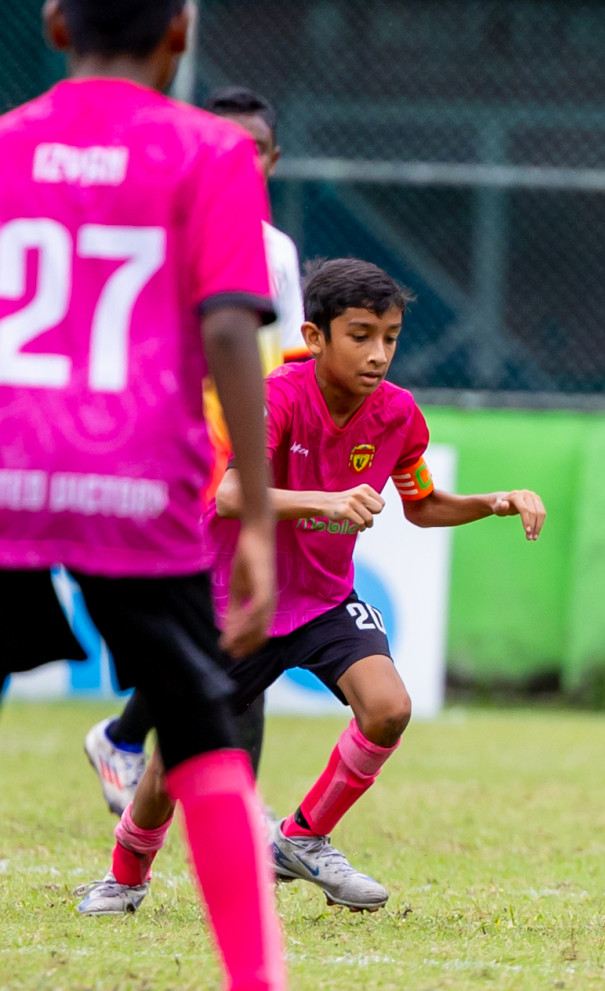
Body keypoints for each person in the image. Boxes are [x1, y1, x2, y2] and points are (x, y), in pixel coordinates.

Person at [74, 258, 548, 916]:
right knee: (170, 767)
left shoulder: (400, 416)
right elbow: (234, 493)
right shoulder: (278, 395)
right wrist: (324, 501)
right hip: (239, 603)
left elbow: (422, 504)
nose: (379, 353)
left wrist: (494, 501)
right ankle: (125, 876)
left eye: (391, 336)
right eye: (361, 335)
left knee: (388, 707)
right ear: (315, 336)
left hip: (324, 600)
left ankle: (301, 838)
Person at [0, 2, 289, 991]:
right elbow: (225, 333)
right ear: (180, 32)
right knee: (203, 730)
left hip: (6, 471)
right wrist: (255, 511)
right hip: (134, 480)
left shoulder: (5, 148)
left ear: (52, 26)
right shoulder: (208, 152)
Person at [83, 85, 308, 816]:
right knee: (218, 625)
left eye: (251, 150)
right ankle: (133, 744)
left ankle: (143, 749)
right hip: (172, 453)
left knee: (242, 626)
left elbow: (288, 361)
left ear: (273, 161)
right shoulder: (158, 227)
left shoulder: (276, 252)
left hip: (239, 455)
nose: (234, 161)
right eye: (220, 144)